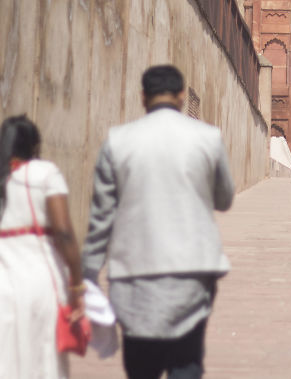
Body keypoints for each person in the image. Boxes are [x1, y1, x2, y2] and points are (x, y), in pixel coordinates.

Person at [82, 65, 235, 379]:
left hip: (134, 273)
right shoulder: (207, 138)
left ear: (142, 97)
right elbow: (224, 199)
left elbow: (101, 216)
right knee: (186, 361)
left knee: (141, 365)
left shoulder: (118, 141)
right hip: (192, 271)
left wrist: (88, 272)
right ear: (181, 96)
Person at [0, 115, 86, 378]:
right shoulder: (45, 173)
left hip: (4, 284)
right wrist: (77, 285)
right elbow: (63, 232)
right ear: (34, 146)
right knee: (45, 360)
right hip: (41, 284)